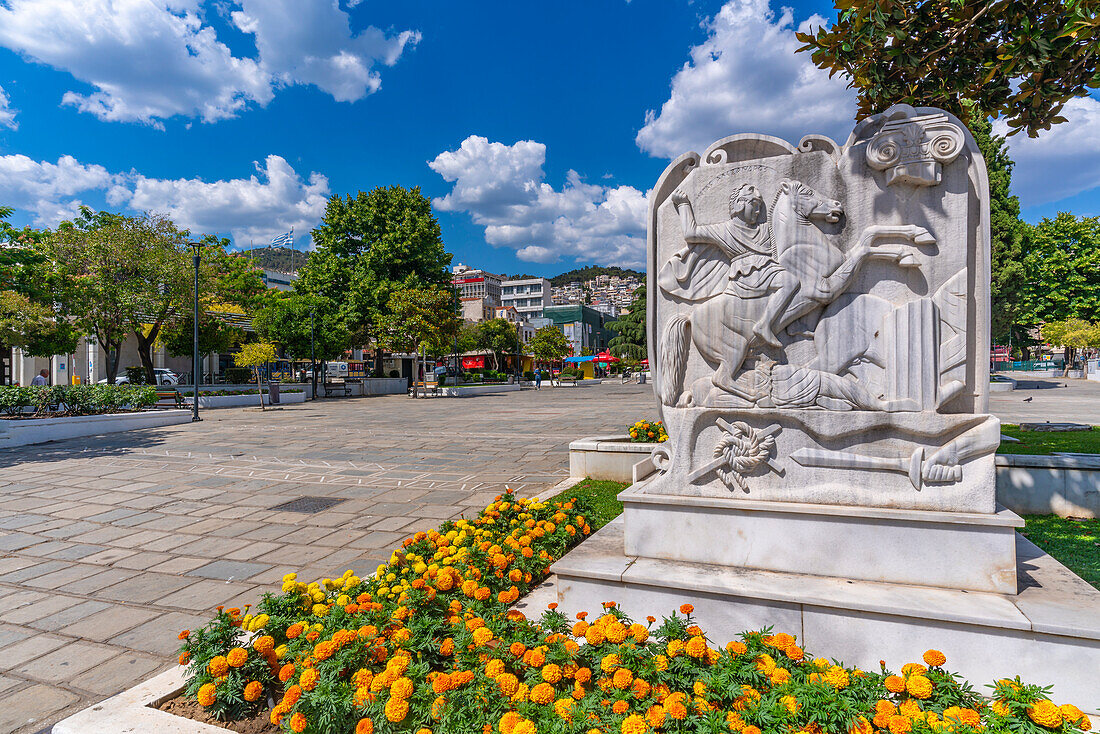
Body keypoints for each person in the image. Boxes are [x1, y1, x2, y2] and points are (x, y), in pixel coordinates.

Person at [662, 183, 801, 348]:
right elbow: (691, 233)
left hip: (768, 269)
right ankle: (765, 325)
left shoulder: (765, 229)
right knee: (790, 282)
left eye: (759, 207)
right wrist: (683, 203)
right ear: (740, 204)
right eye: (754, 205)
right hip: (748, 275)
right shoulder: (725, 230)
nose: (758, 211)